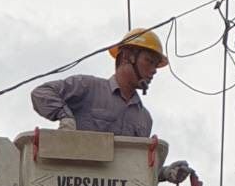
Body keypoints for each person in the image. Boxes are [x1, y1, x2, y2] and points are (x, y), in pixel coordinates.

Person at [30, 27, 168, 137]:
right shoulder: (87, 87)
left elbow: (139, 160)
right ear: (127, 56)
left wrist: (161, 165)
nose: (154, 71)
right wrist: (65, 117)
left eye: (156, 65)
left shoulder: (144, 119)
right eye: (149, 61)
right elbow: (41, 93)